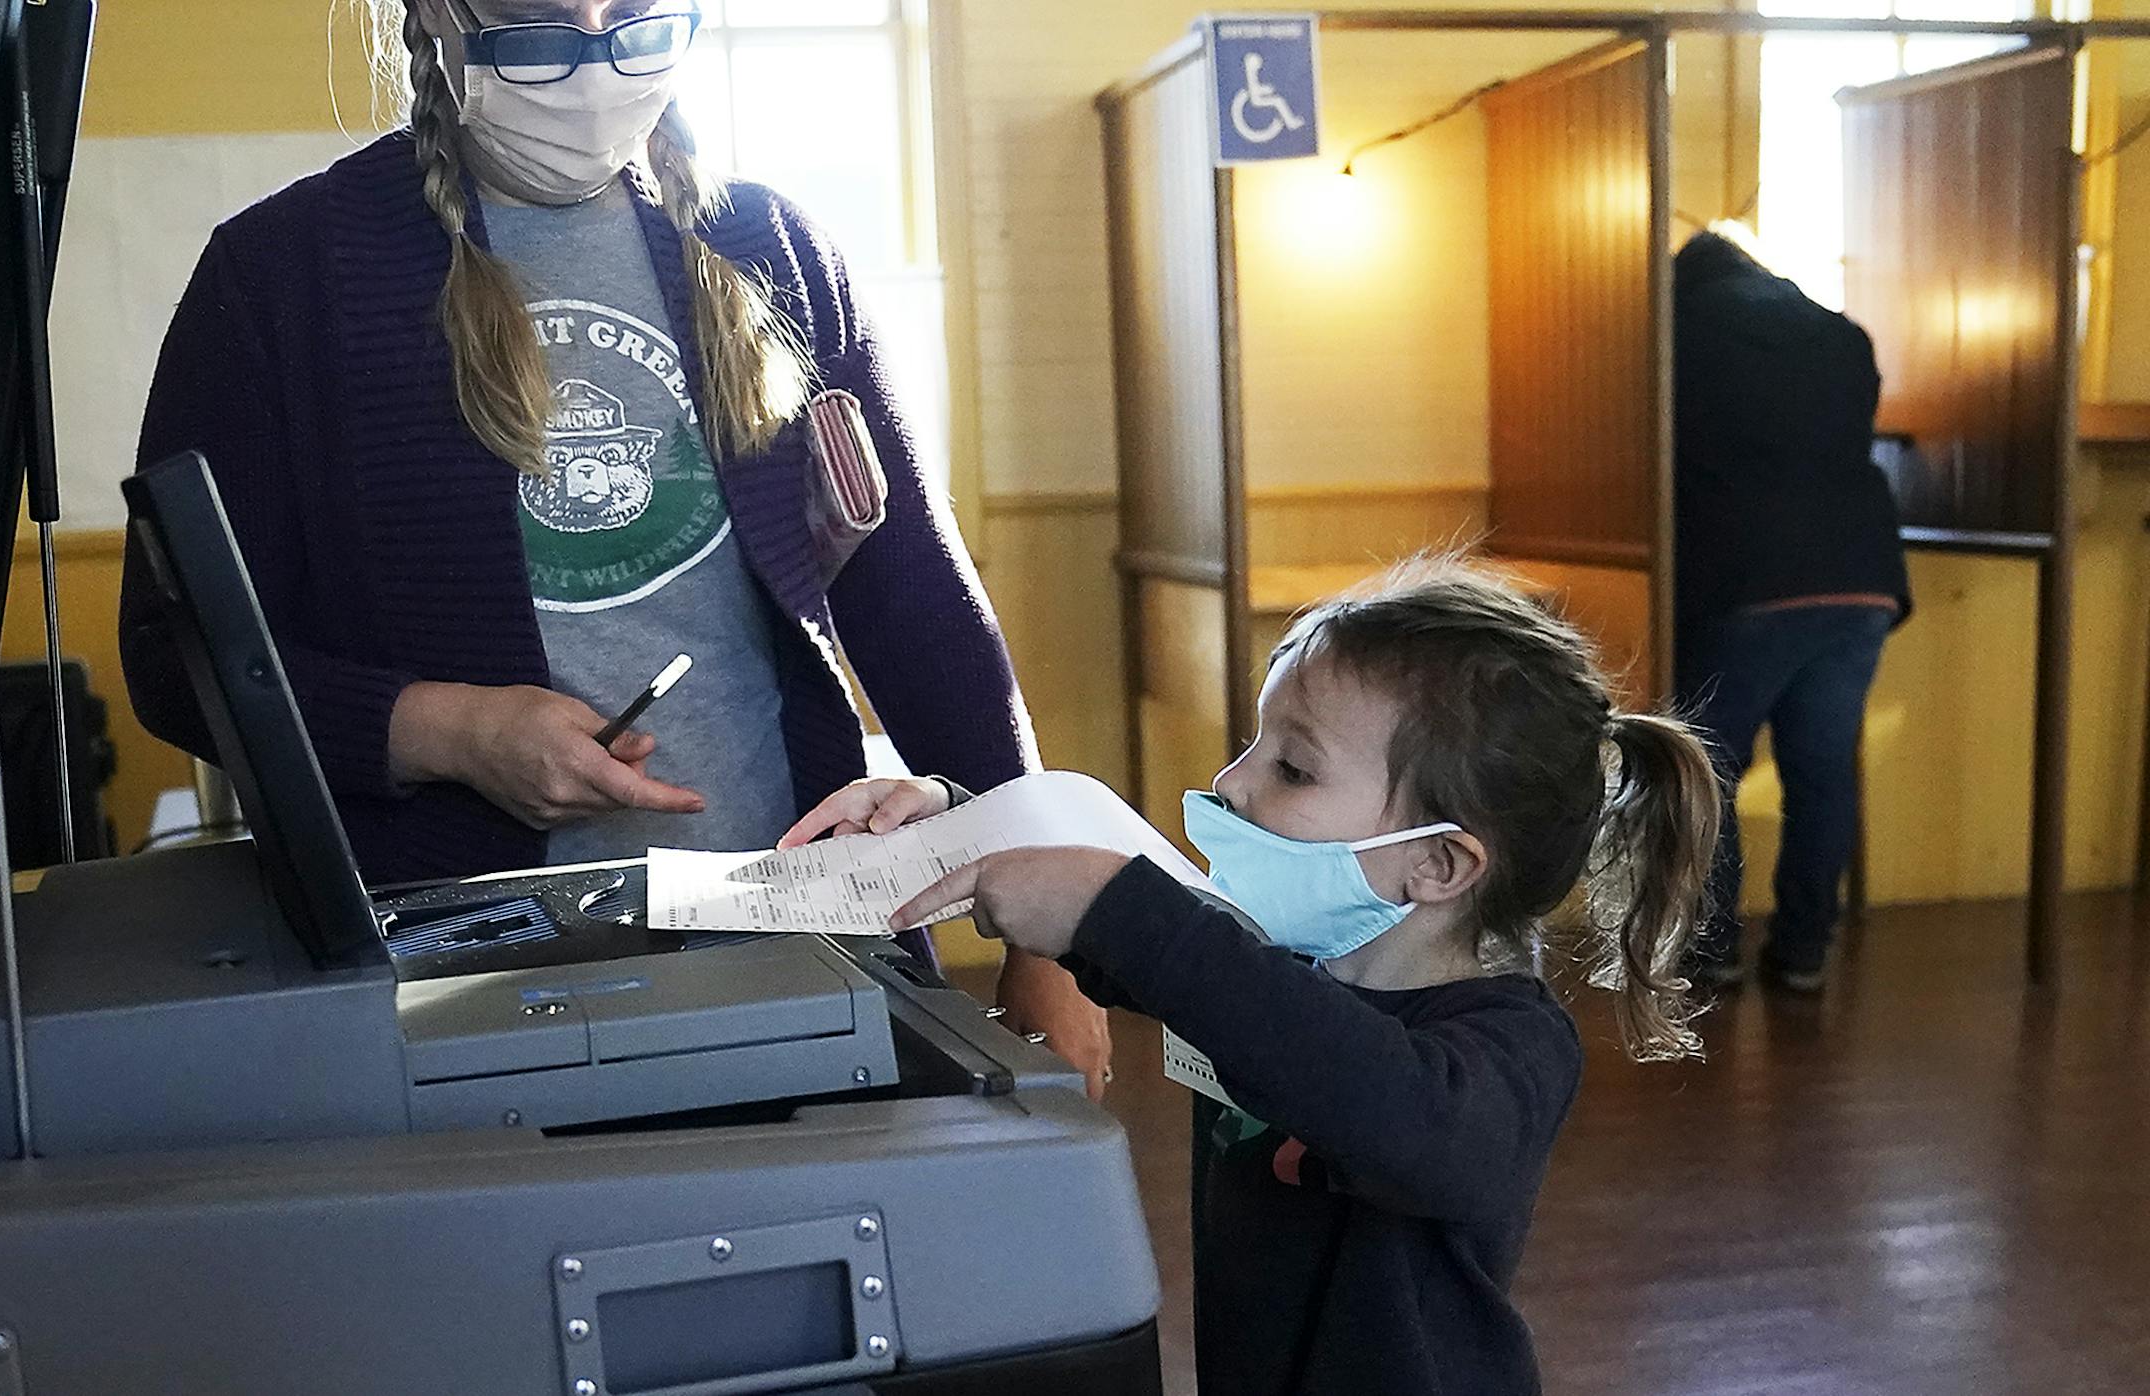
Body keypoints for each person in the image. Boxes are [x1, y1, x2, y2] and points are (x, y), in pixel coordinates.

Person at [115, 0, 1107, 1088]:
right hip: (455, 994)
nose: (593, 64)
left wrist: (1042, 935)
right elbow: (175, 654)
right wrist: (451, 731)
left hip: (806, 955)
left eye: (634, 21)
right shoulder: (282, 277)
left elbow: (921, 611)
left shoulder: (770, 245)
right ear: (438, 16)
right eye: (541, 27)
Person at [788, 558, 1722, 1395]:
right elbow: (1169, 954)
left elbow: (1390, 1107)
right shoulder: (1270, 960)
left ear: (1437, 866)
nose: (1233, 783)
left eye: (1294, 768)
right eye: (1256, 744)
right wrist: (967, 828)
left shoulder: (1509, 1046)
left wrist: (1122, 909)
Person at [1672, 228, 1911, 995]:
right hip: (1861, 578)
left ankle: (1714, 949)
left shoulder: (1679, 329)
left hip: (1750, 578)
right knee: (1822, 771)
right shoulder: (1841, 335)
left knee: (1708, 766)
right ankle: (1804, 951)